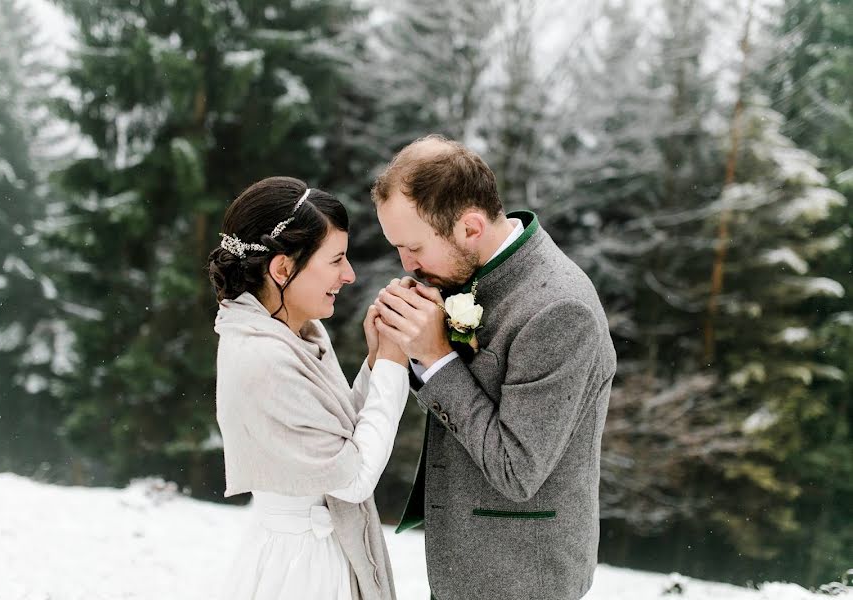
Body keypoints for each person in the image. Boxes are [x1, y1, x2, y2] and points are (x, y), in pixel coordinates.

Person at [370, 135, 617, 600]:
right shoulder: (468, 272)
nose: (407, 265)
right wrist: (395, 349)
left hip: (521, 579)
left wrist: (437, 356)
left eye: (415, 248)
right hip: (465, 572)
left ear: (470, 228)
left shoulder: (560, 310)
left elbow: (517, 470)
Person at [208, 176, 409, 600]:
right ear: (282, 268)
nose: (350, 275)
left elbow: (334, 436)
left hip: (321, 551)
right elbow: (350, 478)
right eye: (336, 260)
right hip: (302, 571)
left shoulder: (295, 334)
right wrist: (394, 364)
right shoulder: (262, 357)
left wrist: (374, 365)